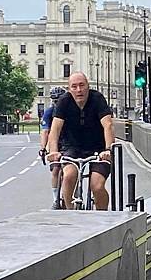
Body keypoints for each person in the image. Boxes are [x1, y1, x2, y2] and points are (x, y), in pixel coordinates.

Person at [47, 72, 114, 210]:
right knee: (69, 175)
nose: (79, 90)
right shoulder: (64, 102)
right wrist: (53, 152)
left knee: (97, 185)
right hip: (72, 147)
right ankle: (70, 210)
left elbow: (108, 125)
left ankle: (103, 216)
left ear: (88, 86)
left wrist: (108, 150)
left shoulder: (97, 99)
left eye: (82, 85)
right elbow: (54, 130)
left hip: (98, 148)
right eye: (74, 87)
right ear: (69, 89)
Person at [39, 86, 67, 209]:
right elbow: (45, 132)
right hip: (55, 144)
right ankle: (56, 199)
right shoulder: (49, 112)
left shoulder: (70, 110)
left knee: (71, 170)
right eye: (55, 101)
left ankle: (73, 194)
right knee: (56, 170)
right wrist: (43, 148)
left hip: (70, 143)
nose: (56, 103)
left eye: (59, 100)